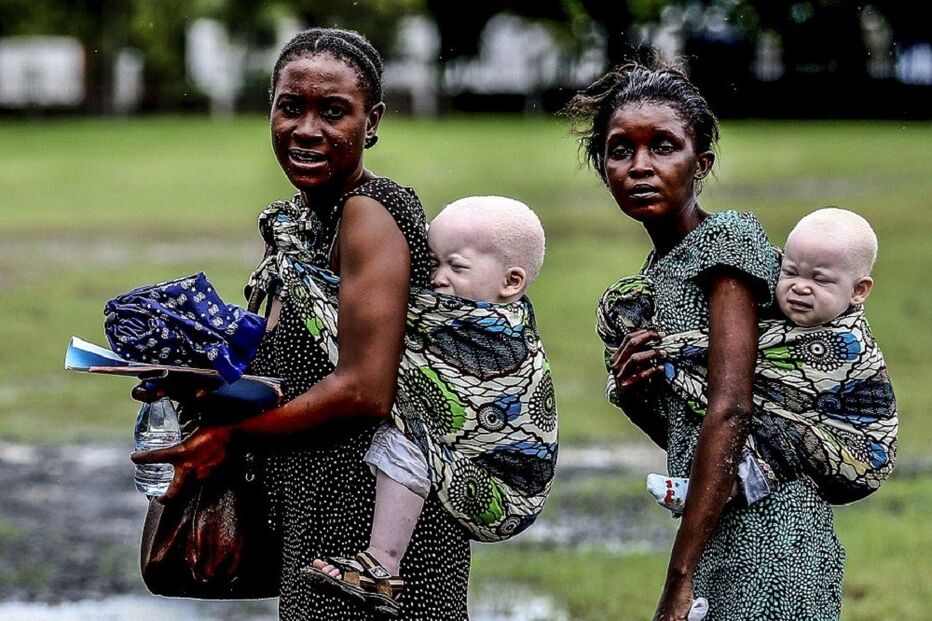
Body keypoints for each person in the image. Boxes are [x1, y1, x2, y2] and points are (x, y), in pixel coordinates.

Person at [132, 28, 470, 620]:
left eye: (333, 112)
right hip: (318, 508)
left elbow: (364, 390)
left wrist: (233, 437)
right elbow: (293, 365)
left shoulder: (368, 214)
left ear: (372, 122)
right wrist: (196, 381)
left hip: (375, 533)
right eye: (291, 107)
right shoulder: (300, 224)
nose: (307, 129)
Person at [564, 60, 845, 620]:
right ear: (602, 167)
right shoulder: (653, 280)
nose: (640, 166)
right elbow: (690, 433)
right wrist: (638, 396)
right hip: (718, 525)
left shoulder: (726, 242)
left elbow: (733, 410)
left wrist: (678, 578)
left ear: (702, 163)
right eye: (620, 151)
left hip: (774, 535)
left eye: (663, 146)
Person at [306, 195, 548, 614]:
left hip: (499, 484)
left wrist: (312, 291)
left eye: (456, 266)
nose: (437, 279)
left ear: (511, 283)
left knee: (404, 442)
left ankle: (382, 561)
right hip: (464, 474)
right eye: (433, 264)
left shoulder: (495, 335)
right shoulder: (448, 314)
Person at [640, 207, 894, 511]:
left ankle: (719, 488)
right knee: (749, 415)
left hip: (856, 454)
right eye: (790, 272)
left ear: (858, 291)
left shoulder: (844, 343)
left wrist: (670, 352)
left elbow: (737, 357)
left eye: (820, 280)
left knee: (776, 432)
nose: (800, 287)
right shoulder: (793, 310)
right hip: (815, 434)